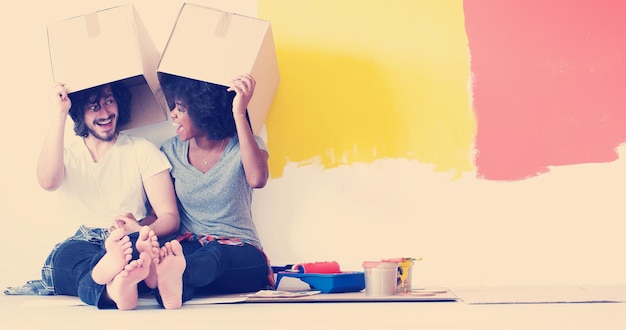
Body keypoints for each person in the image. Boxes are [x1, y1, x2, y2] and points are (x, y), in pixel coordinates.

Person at [4, 81, 181, 310]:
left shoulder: (142, 150)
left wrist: (139, 229)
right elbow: (48, 182)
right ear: (79, 113)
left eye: (109, 102)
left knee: (134, 254)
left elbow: (169, 216)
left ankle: (120, 285)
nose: (106, 113)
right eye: (94, 106)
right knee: (63, 261)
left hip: (128, 239)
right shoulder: (66, 154)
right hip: (82, 242)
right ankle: (129, 282)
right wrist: (60, 113)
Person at [156, 73, 274, 308]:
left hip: (239, 252)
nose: (173, 115)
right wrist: (139, 228)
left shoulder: (245, 145)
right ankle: (173, 285)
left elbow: (257, 179)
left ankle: (174, 276)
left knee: (214, 255)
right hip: (191, 248)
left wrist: (239, 112)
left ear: (204, 110)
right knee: (180, 255)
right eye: (173, 106)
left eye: (180, 108)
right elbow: (160, 211)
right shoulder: (170, 151)